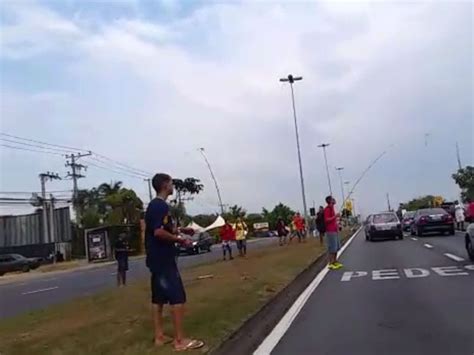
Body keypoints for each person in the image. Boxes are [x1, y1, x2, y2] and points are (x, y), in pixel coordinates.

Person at [145, 173, 204, 351]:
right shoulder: (159, 206)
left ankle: (160, 336)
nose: (173, 186)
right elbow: (158, 232)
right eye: (171, 183)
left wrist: (182, 230)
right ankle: (180, 341)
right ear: (164, 185)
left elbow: (164, 228)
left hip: (156, 260)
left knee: (158, 299)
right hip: (163, 260)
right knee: (177, 297)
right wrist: (181, 240)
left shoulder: (156, 206)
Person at [324, 196, 343, 270]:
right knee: (332, 247)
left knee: (336, 247)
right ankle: (331, 263)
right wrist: (335, 216)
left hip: (335, 230)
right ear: (330, 201)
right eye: (332, 199)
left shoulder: (332, 208)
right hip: (330, 231)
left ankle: (335, 261)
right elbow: (326, 220)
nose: (334, 200)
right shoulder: (327, 209)